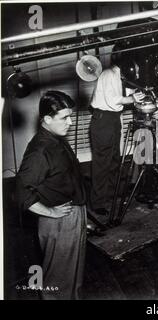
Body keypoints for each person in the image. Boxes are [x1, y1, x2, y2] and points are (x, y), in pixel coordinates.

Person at [16, 91, 87, 300]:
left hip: (73, 213)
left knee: (73, 275)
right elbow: (21, 192)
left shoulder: (56, 137)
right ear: (47, 119)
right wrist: (50, 212)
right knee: (58, 280)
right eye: (64, 118)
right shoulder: (40, 152)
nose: (71, 122)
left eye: (70, 116)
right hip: (60, 220)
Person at [89, 51, 158, 216]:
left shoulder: (122, 76)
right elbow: (113, 99)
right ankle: (97, 202)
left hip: (114, 119)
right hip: (103, 119)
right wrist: (132, 99)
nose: (136, 71)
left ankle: (113, 195)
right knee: (102, 163)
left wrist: (150, 97)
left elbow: (133, 93)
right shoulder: (108, 74)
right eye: (135, 67)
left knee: (115, 159)